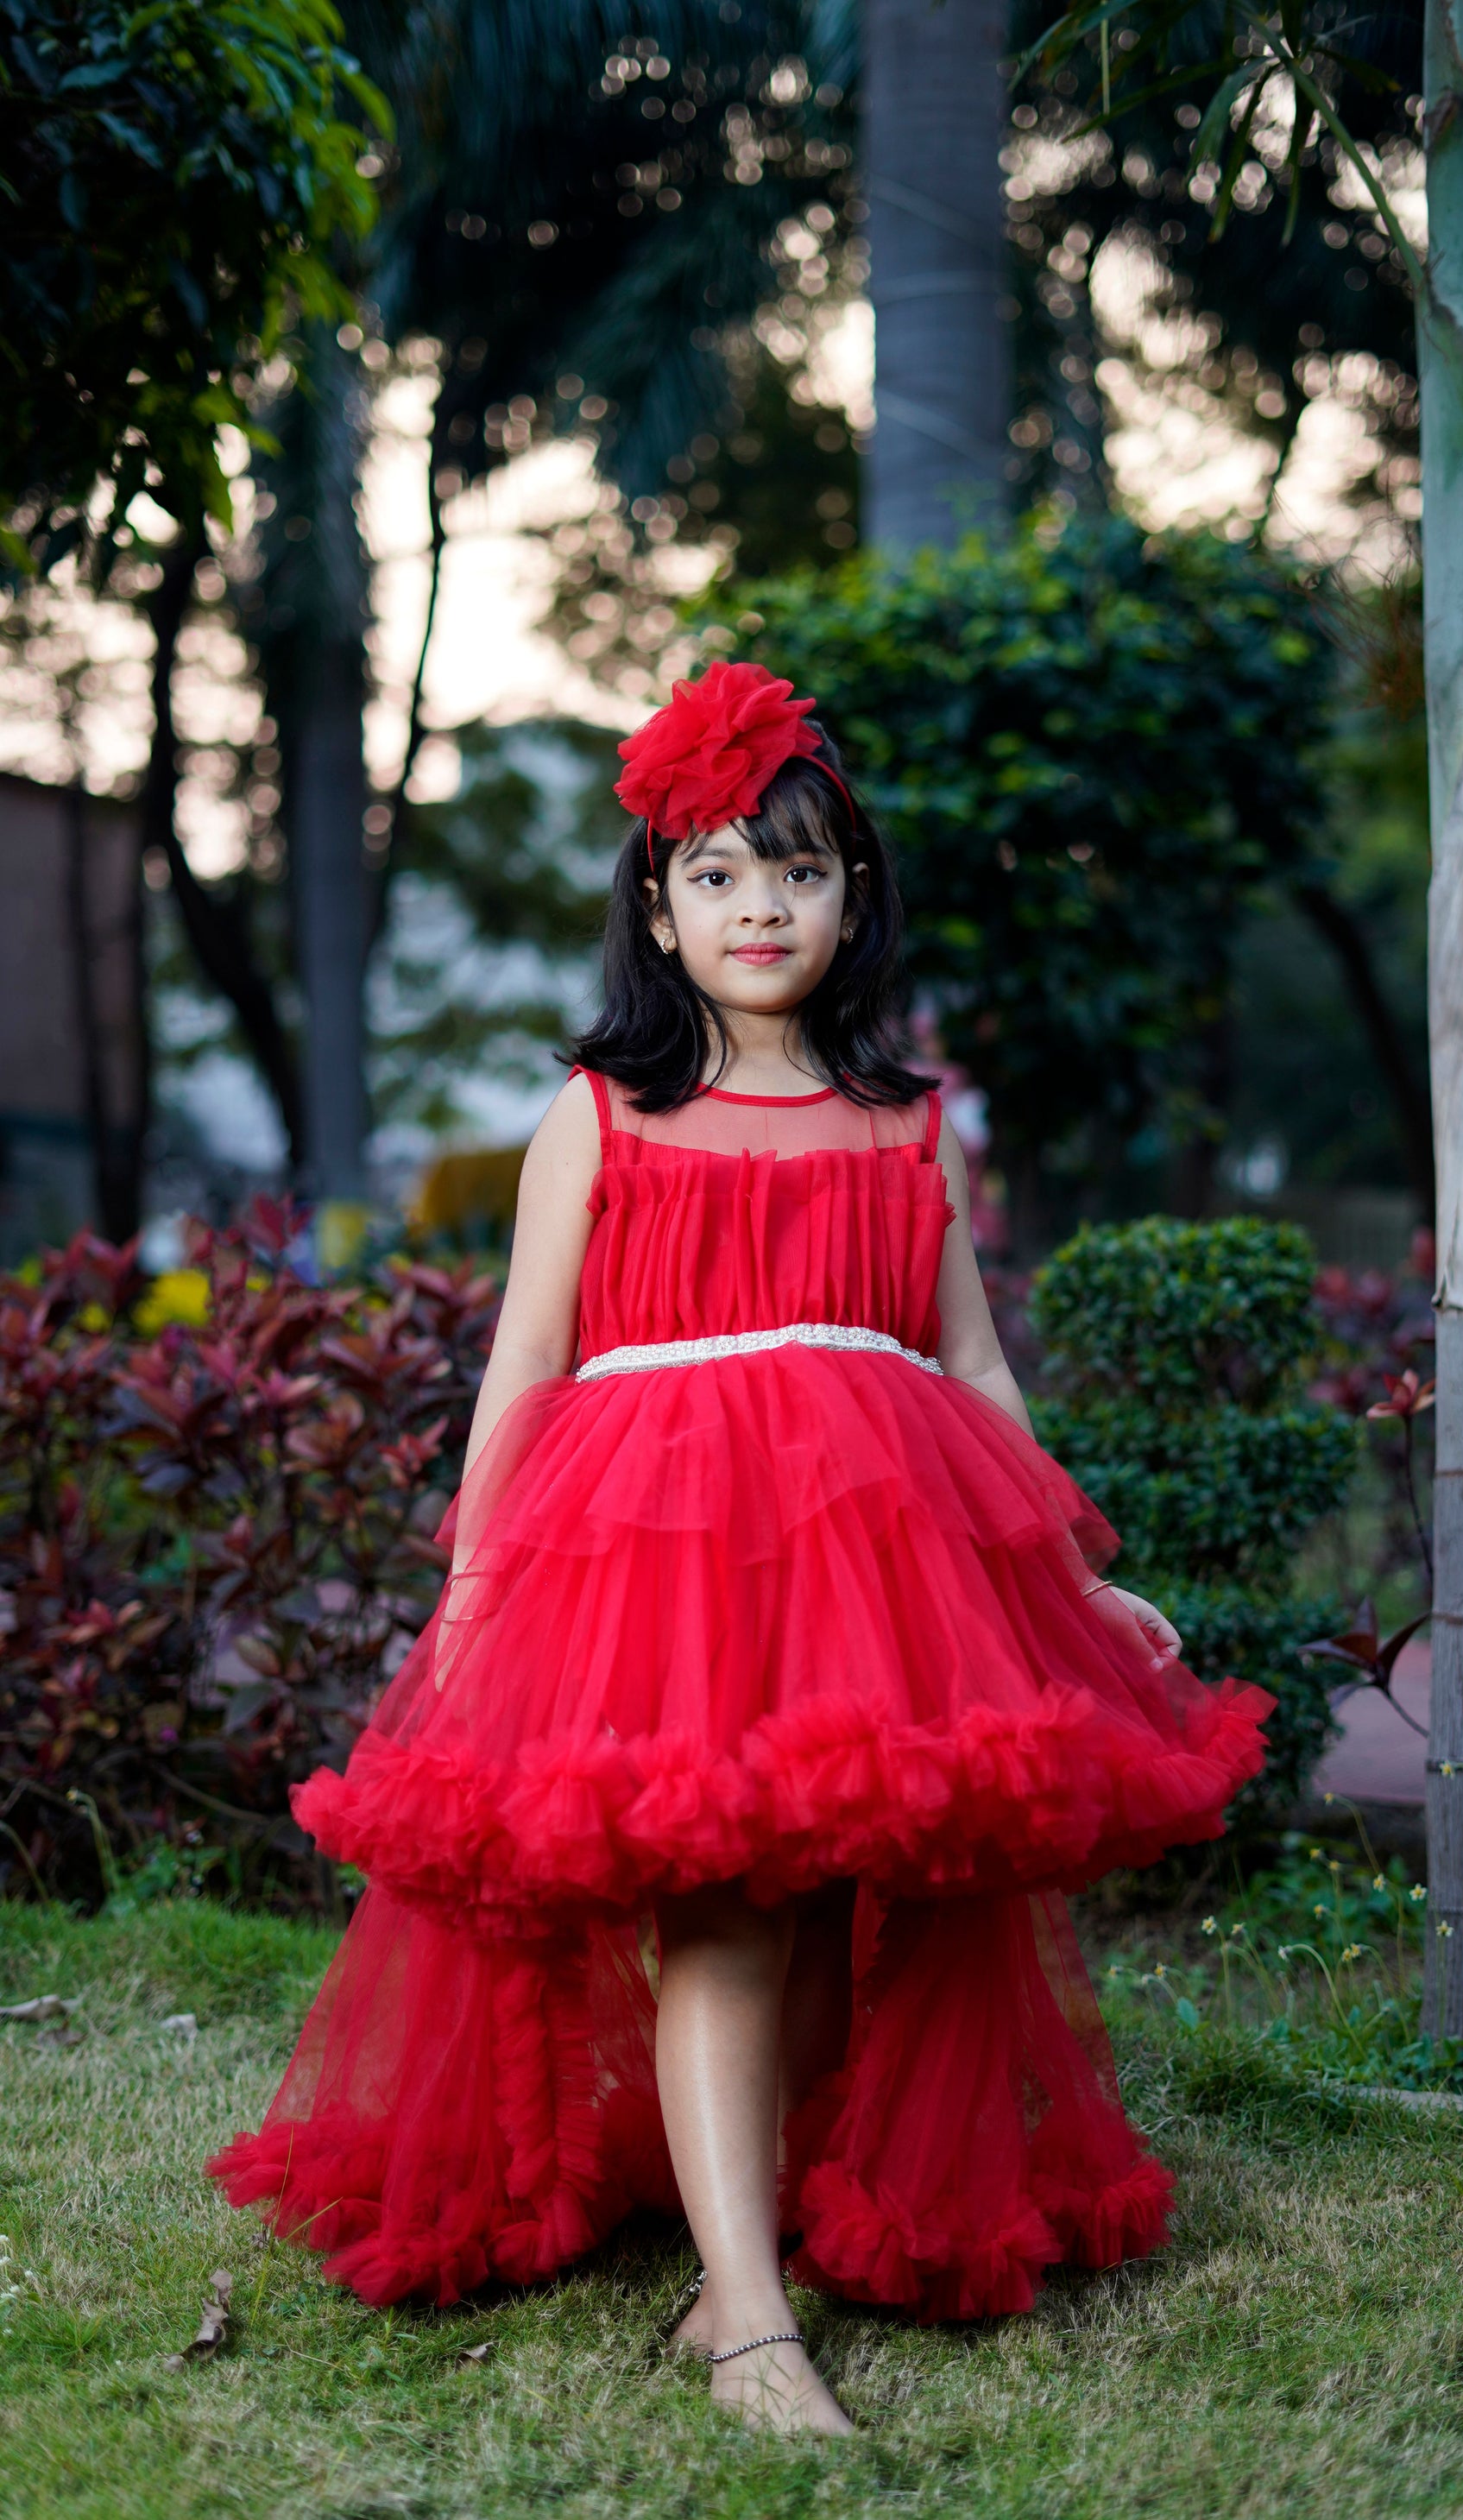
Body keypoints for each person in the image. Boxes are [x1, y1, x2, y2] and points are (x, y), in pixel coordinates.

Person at [210, 660, 1271, 2437]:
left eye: (794, 870)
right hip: (663, 1565)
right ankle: (752, 2321)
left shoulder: (907, 1117)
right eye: (713, 871)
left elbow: (972, 1363)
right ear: (658, 905)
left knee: (857, 1903)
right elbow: (526, 1364)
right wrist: (473, 1592)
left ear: (852, 900)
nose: (757, 902)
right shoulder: (607, 1110)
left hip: (880, 1555)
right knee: (717, 1899)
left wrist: (1069, 1573)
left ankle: (751, 2240)